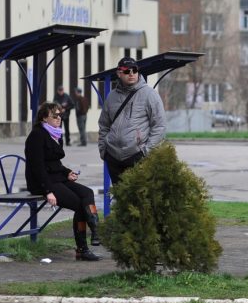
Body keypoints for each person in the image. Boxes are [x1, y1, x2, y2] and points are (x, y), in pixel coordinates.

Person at [25, 102, 100, 261]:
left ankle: (95, 230)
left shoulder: (55, 134)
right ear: (45, 118)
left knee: (88, 193)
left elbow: (55, 164)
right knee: (79, 205)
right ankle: (82, 249)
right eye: (55, 116)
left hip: (56, 179)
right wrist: (48, 191)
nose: (59, 118)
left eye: (61, 115)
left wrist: (67, 173)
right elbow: (38, 167)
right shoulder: (37, 135)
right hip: (42, 183)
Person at [98, 57, 166, 186]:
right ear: (119, 73)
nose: (131, 74)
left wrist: (146, 151)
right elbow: (104, 125)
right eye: (127, 71)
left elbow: (159, 126)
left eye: (134, 70)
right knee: (120, 198)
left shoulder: (149, 94)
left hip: (137, 155)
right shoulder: (112, 96)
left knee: (138, 199)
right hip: (113, 156)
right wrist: (104, 150)